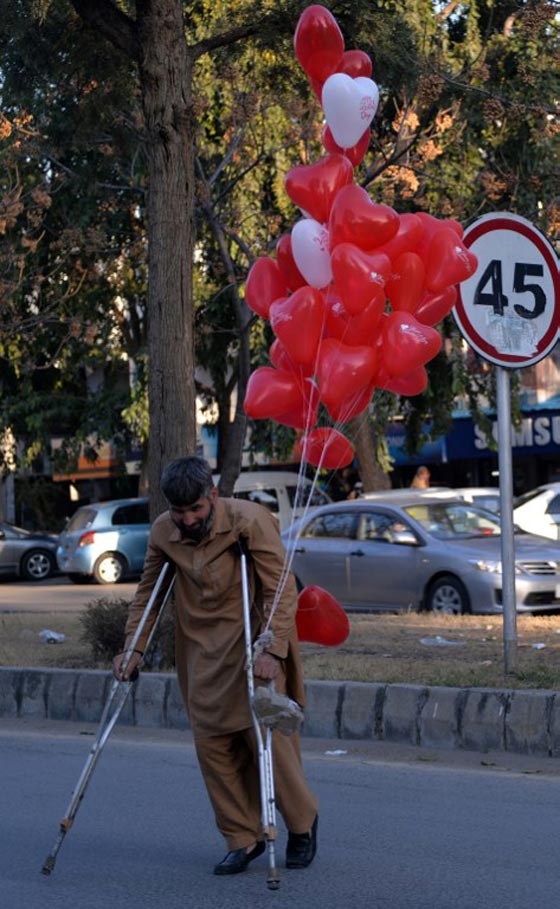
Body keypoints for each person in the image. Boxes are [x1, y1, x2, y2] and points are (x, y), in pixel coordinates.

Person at [113, 456, 318, 876]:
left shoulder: (250, 521)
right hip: (202, 651)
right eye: (179, 512)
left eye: (196, 510)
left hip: (253, 645)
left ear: (213, 496)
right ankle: (242, 839)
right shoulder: (163, 534)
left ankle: (302, 824)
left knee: (266, 745)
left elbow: (281, 589)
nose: (187, 520)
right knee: (213, 748)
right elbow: (147, 593)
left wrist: (273, 650)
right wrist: (132, 649)